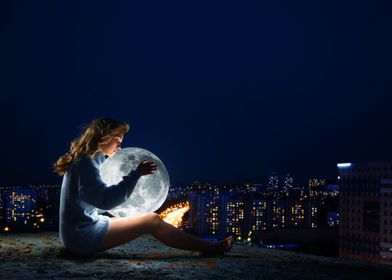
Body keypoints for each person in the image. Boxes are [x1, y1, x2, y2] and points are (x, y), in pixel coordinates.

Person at [53, 117, 233, 257]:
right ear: (103, 138)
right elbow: (105, 201)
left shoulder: (88, 161)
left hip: (79, 231)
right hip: (81, 238)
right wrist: (135, 175)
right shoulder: (86, 163)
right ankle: (210, 247)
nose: (119, 147)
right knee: (152, 220)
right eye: (117, 140)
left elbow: (94, 203)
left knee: (140, 217)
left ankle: (208, 246)